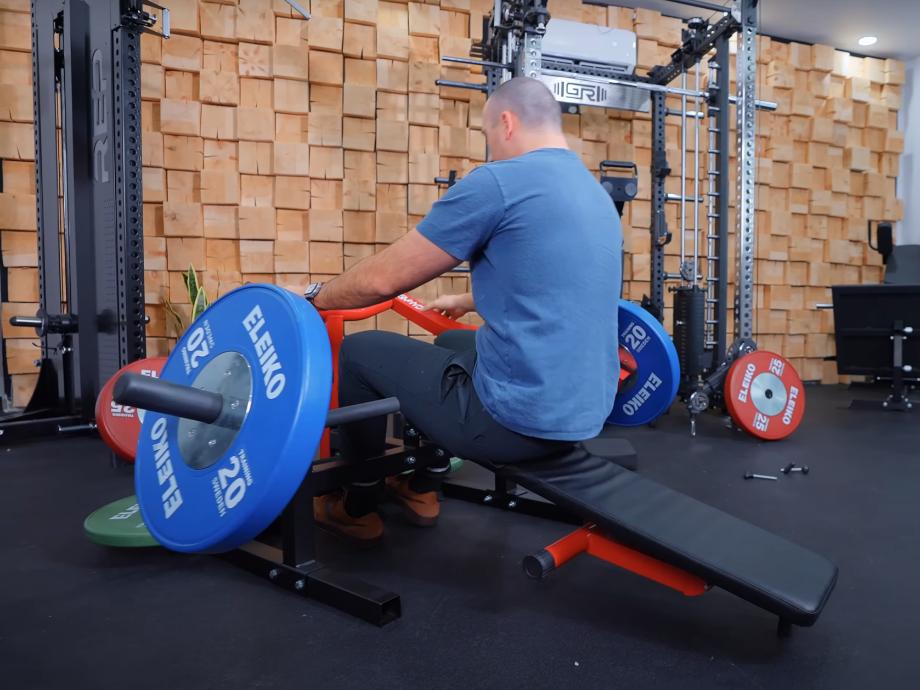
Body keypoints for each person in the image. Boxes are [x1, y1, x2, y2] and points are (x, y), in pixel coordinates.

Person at [305, 77, 622, 542]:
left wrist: (313, 295)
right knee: (451, 340)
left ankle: (357, 502)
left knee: (360, 352)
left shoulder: (500, 182)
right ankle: (421, 485)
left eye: (488, 134)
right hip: (582, 415)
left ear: (506, 123)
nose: (490, 147)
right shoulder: (593, 193)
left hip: (513, 423)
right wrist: (466, 300)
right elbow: (555, 281)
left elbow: (381, 281)